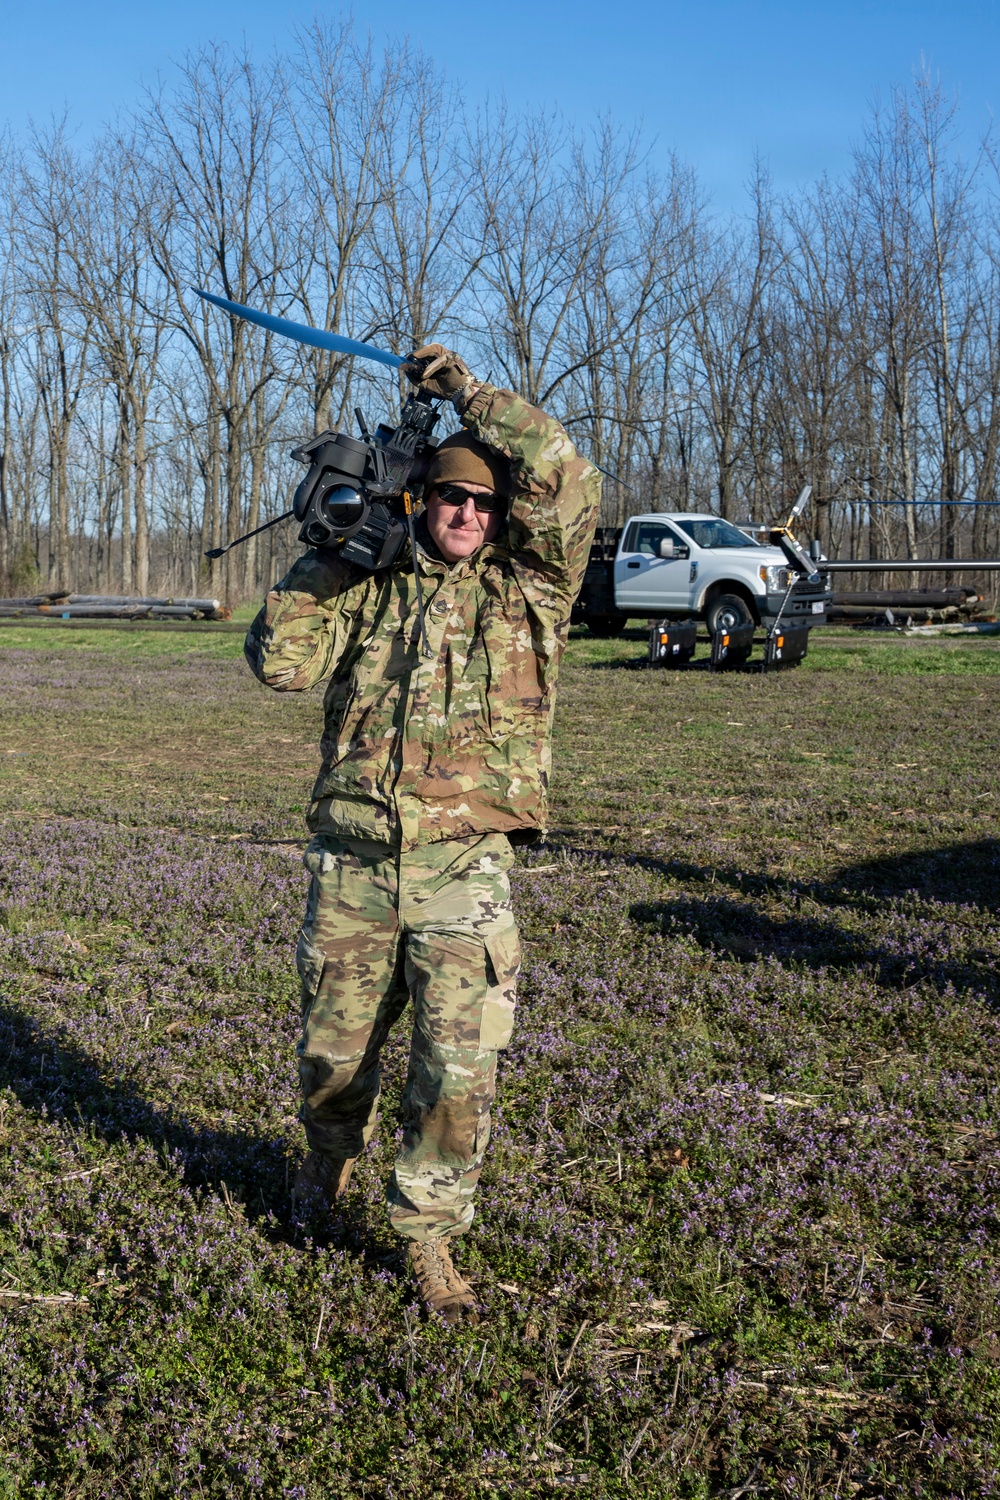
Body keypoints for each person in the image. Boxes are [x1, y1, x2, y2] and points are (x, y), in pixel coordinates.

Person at [245, 345, 601, 1322]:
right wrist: (331, 547)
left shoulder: (529, 592)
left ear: (503, 516)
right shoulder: (369, 586)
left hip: (462, 873)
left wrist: (472, 398)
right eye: (449, 499)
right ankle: (322, 1177)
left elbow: (567, 478)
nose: (466, 516)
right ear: (422, 502)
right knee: (334, 1056)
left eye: (485, 504)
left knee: (457, 1072)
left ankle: (430, 1236)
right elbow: (280, 664)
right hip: (355, 864)